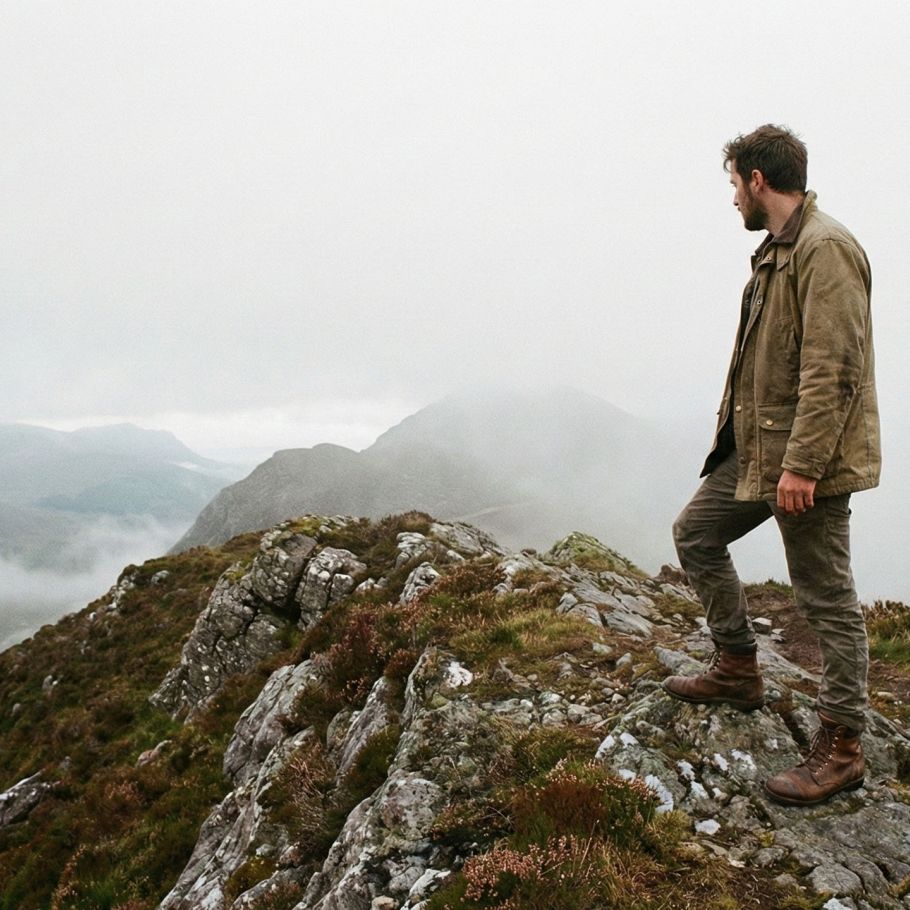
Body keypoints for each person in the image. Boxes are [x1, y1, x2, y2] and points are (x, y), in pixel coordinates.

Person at [662, 124, 881, 807]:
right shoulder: (776, 254)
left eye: (734, 183)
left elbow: (833, 368)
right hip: (760, 455)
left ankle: (841, 749)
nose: (732, 198)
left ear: (759, 179)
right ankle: (736, 667)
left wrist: (806, 466)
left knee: (826, 602)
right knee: (695, 532)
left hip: (805, 466)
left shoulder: (826, 249)